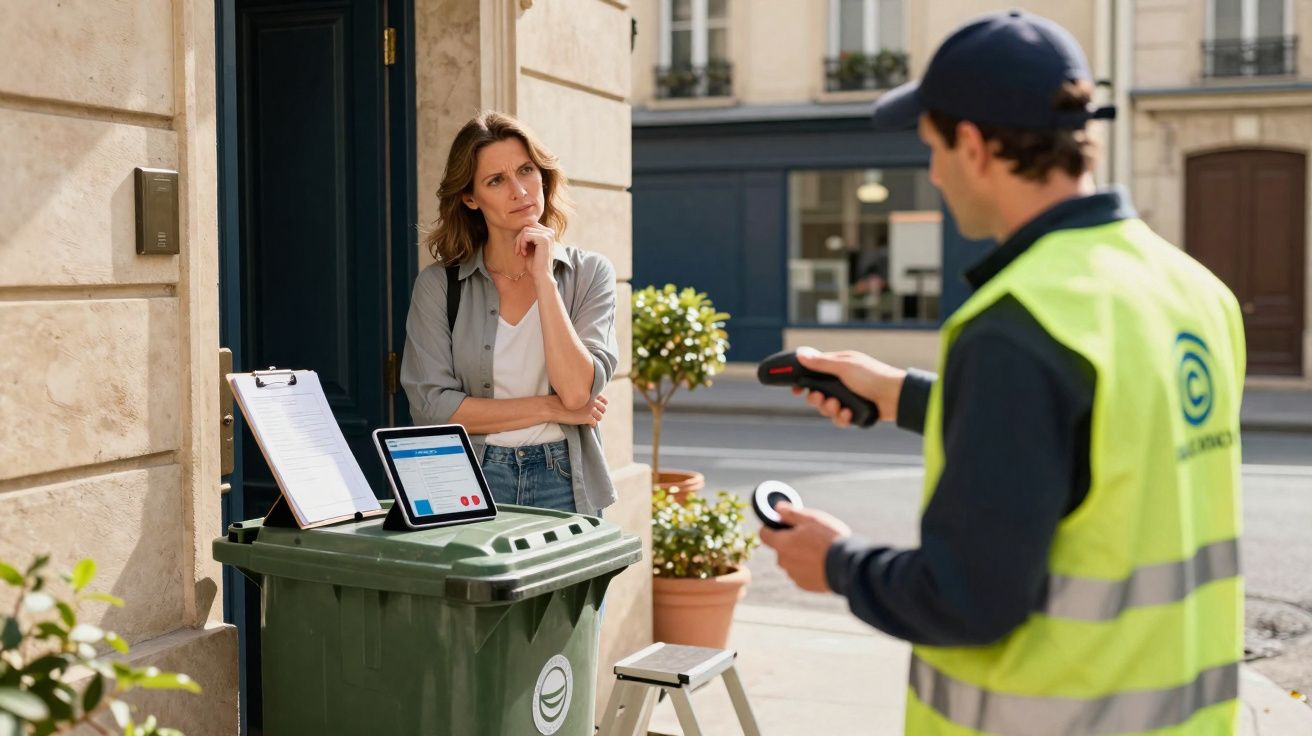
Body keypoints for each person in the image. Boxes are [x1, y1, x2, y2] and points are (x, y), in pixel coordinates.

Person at [761, 11, 1246, 735]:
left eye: (932, 148)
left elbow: (969, 599)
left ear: (974, 145)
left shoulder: (1015, 326)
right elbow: (1102, 441)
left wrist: (835, 562)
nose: (931, 173)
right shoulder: (1196, 291)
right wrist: (902, 396)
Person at [401, 111, 619, 516]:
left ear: (543, 176)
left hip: (565, 479)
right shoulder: (438, 286)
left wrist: (544, 280)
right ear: (470, 197)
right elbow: (433, 407)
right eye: (496, 180)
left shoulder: (589, 274)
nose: (519, 191)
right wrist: (549, 408)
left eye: (526, 170)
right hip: (472, 478)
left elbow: (576, 392)